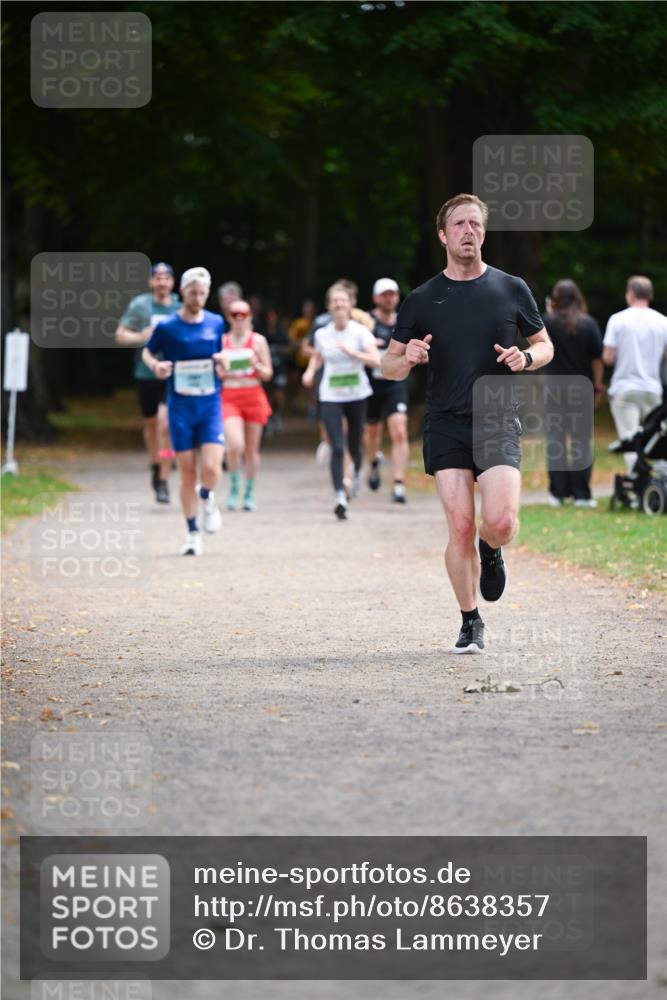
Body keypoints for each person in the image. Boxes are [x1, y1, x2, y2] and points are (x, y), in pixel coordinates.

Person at [381, 193, 553, 654]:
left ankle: (491, 548)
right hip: (446, 419)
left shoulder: (511, 288)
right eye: (459, 224)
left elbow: (546, 344)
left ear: (484, 232)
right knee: (458, 526)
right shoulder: (422, 299)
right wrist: (409, 358)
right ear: (443, 234)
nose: (468, 231)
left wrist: (528, 356)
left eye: (475, 224)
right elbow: (387, 366)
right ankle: (469, 619)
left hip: (497, 416)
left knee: (499, 521)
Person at [142, 267, 225, 555]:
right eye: (194, 292)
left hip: (210, 402)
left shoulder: (216, 322)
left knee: (212, 468)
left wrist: (223, 361)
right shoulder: (168, 326)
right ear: (184, 293)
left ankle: (207, 495)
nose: (198, 297)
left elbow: (221, 353)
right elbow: (148, 351)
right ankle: (192, 533)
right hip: (180, 406)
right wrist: (156, 366)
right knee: (188, 472)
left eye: (203, 293)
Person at [302, 285, 381, 519]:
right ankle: (339, 495)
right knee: (337, 445)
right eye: (334, 301)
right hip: (331, 395)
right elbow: (318, 356)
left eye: (342, 301)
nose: (338, 305)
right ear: (329, 306)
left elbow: (376, 360)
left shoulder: (360, 332)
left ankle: (355, 471)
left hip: (356, 394)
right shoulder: (322, 333)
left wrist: (354, 354)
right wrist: (309, 371)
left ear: (350, 305)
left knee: (355, 445)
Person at [115, 262, 180, 503]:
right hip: (146, 374)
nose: (162, 282)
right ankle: (155, 464)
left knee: (165, 425)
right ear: (151, 282)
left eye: (166, 277)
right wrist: (140, 336)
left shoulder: (179, 306)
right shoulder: (140, 305)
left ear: (172, 282)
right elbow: (120, 334)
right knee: (152, 426)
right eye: (157, 278)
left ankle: (163, 479)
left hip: (173, 374)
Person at [542, 279, 604, 507]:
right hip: (581, 390)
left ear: (555, 299)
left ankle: (557, 493)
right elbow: (597, 360)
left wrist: (548, 314)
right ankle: (582, 494)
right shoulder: (589, 324)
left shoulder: (546, 322)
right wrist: (598, 388)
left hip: (554, 389)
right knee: (580, 441)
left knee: (555, 440)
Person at [602, 275, 667, 472]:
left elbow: (608, 357)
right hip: (652, 389)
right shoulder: (663, 321)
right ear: (650, 295)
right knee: (655, 439)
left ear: (630, 294)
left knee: (630, 440)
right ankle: (662, 480)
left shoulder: (618, 319)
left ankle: (637, 482)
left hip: (625, 388)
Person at [219, 299, 273, 511]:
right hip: (230, 395)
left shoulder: (258, 341)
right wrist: (221, 370)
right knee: (235, 445)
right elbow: (217, 373)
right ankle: (234, 487)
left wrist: (256, 364)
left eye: (243, 314)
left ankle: (249, 492)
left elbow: (268, 373)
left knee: (251, 449)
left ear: (250, 316)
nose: (239, 319)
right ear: (229, 318)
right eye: (235, 315)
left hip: (253, 395)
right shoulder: (222, 341)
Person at [364, 278, 410, 503]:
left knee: (399, 430)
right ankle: (373, 463)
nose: (389, 298)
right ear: (375, 298)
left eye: (392, 294)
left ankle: (399, 484)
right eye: (384, 294)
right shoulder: (365, 321)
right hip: (370, 384)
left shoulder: (405, 322)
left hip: (396, 383)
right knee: (372, 432)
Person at [263, 305, 290, 433]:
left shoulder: (281, 331)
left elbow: (289, 347)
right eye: (269, 316)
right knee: (267, 395)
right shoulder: (262, 332)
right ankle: (268, 419)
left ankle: (278, 415)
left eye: (273, 316)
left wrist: (280, 350)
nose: (271, 319)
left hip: (279, 367)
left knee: (279, 394)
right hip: (265, 368)